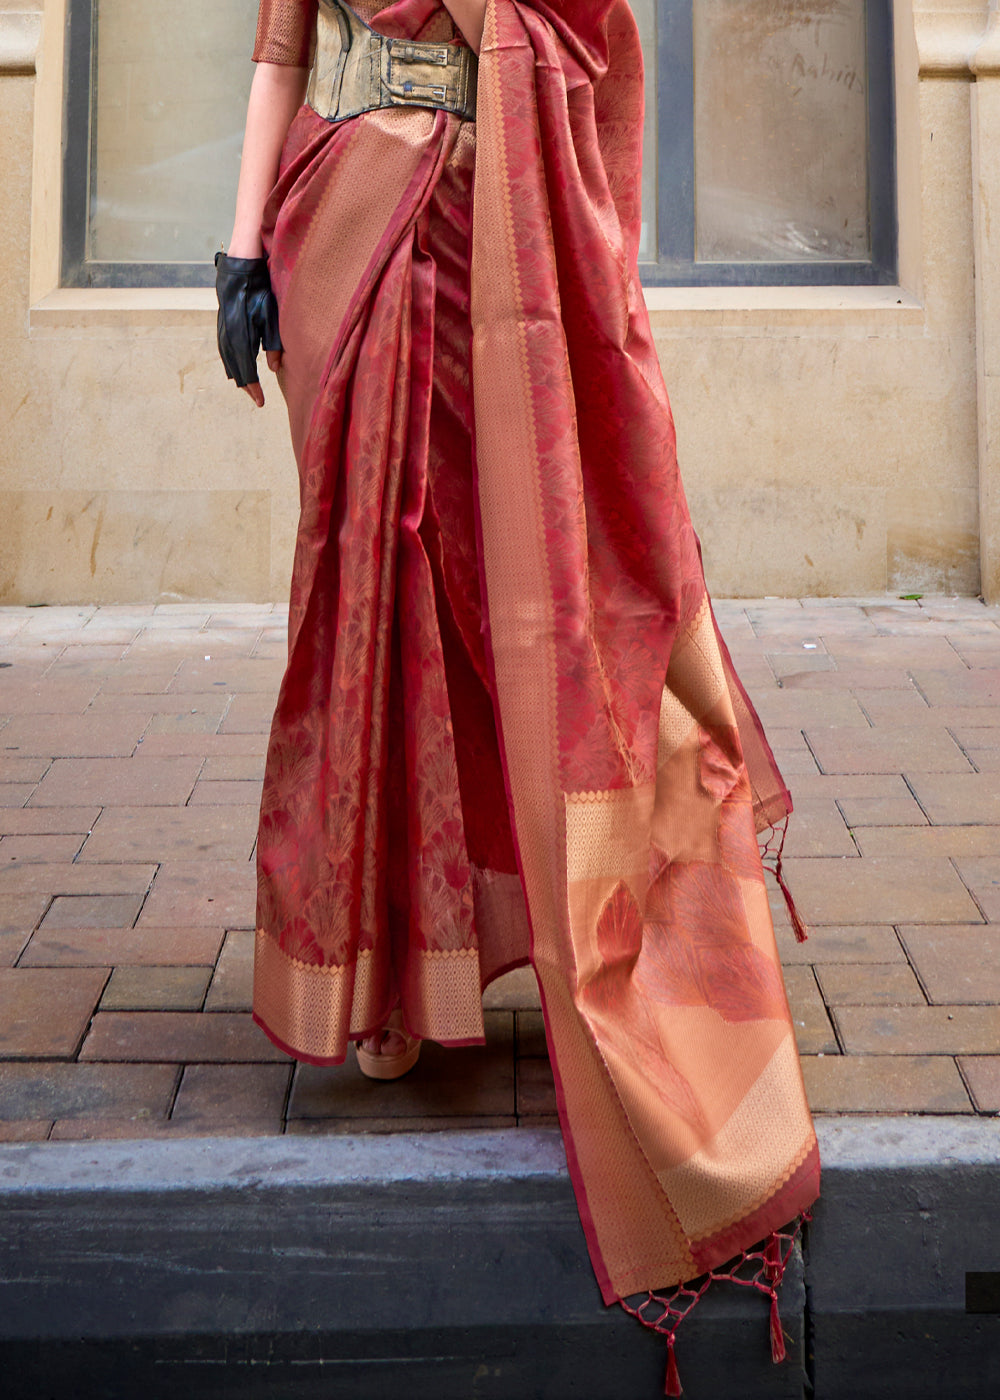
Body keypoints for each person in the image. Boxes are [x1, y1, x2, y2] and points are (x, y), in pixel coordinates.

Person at [216, 1, 821, 1390]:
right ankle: (384, 970)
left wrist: (592, 251)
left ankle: (586, 922)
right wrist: (237, 247)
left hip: (507, 254)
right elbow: (279, 49)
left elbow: (605, 52)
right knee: (371, 601)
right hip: (346, 238)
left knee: (550, 609)